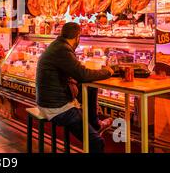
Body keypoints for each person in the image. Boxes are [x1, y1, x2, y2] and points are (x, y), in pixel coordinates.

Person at [36, 22, 114, 153]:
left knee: (90, 87)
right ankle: (94, 128)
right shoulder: (63, 50)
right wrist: (108, 72)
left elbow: (79, 74)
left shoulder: (58, 46)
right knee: (97, 142)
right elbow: (82, 74)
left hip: (49, 102)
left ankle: (95, 124)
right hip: (57, 109)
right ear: (78, 37)